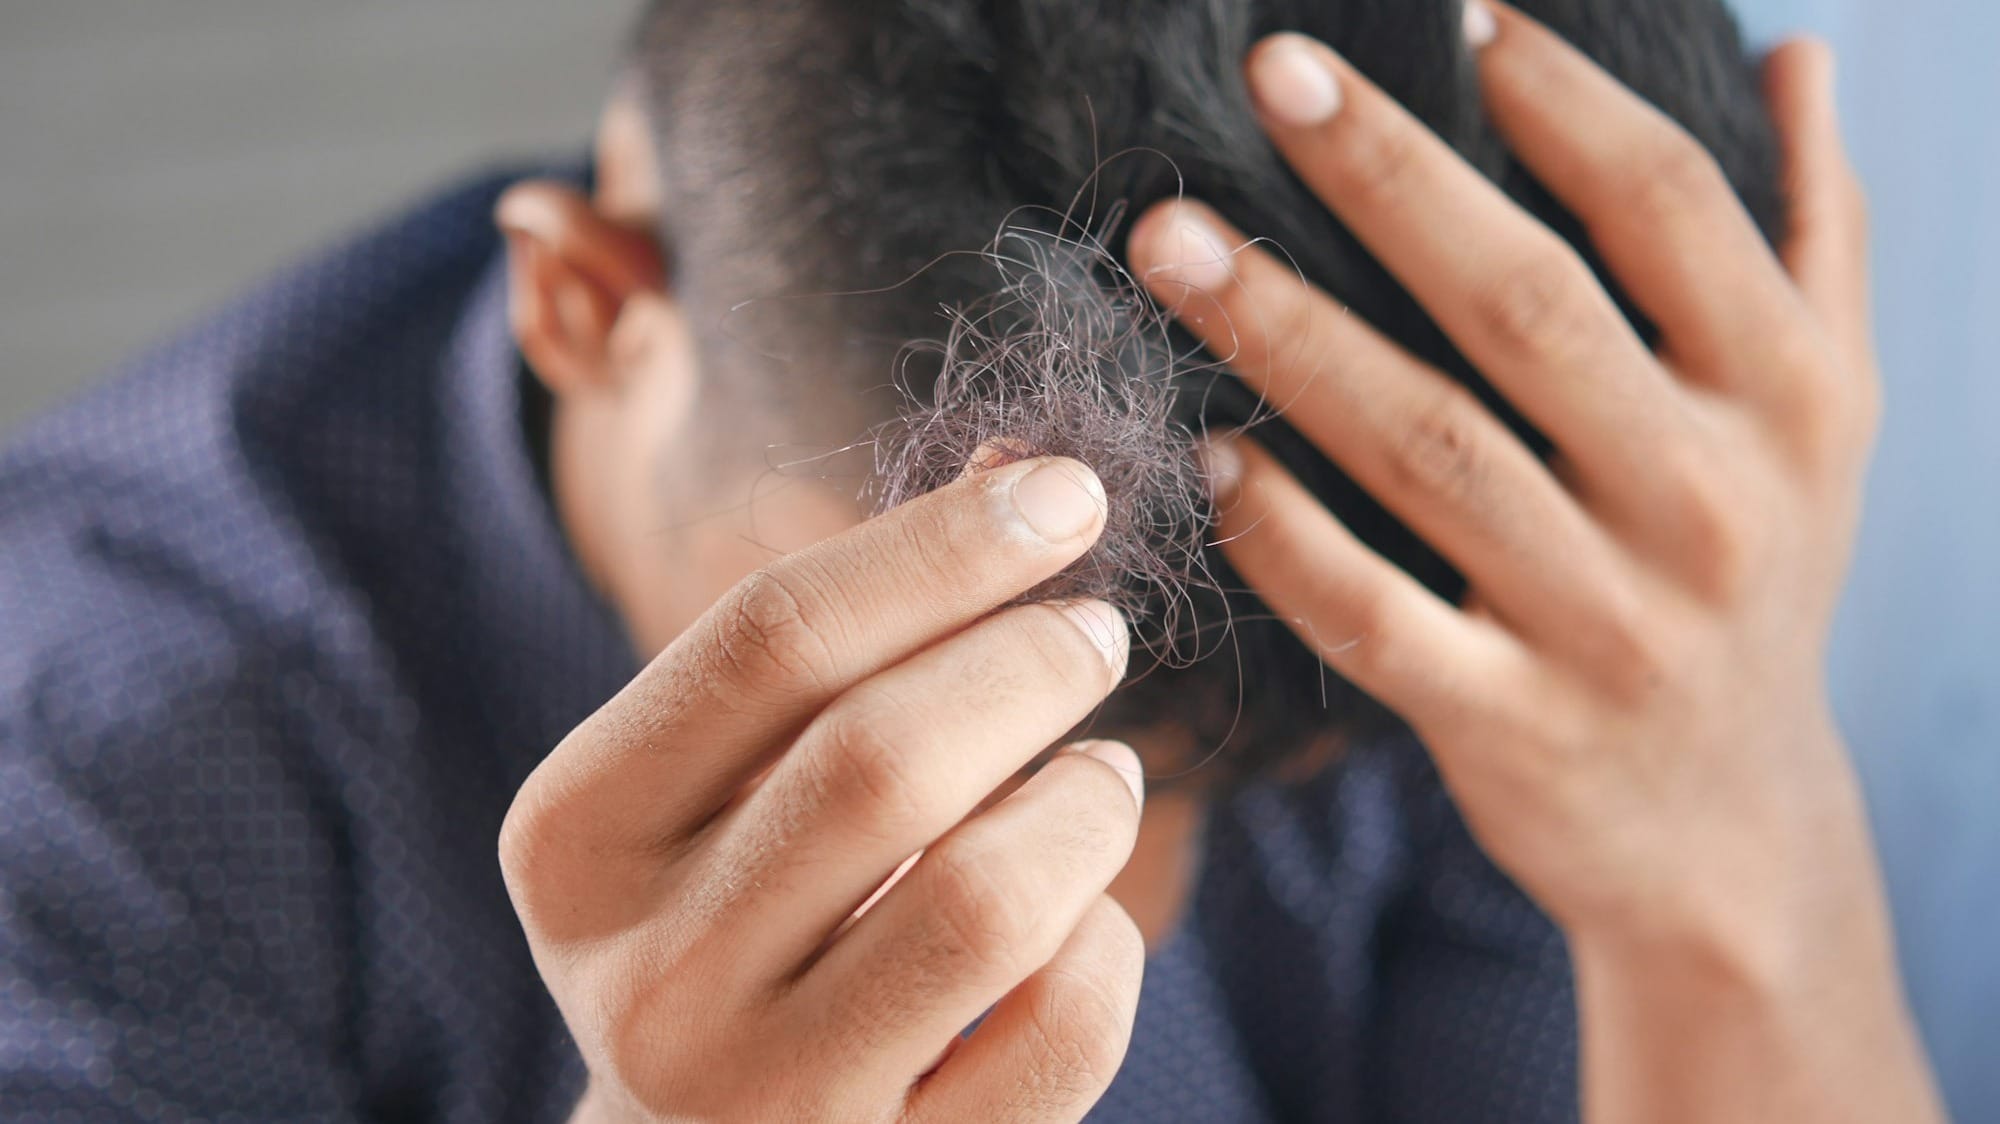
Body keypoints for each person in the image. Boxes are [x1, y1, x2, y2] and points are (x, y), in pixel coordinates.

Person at [0, 1, 1946, 1121]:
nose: (1106, 929)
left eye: (1239, 779)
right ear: (588, 303)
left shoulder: (1457, 573)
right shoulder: (78, 787)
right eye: (952, 670)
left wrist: (1734, 865)